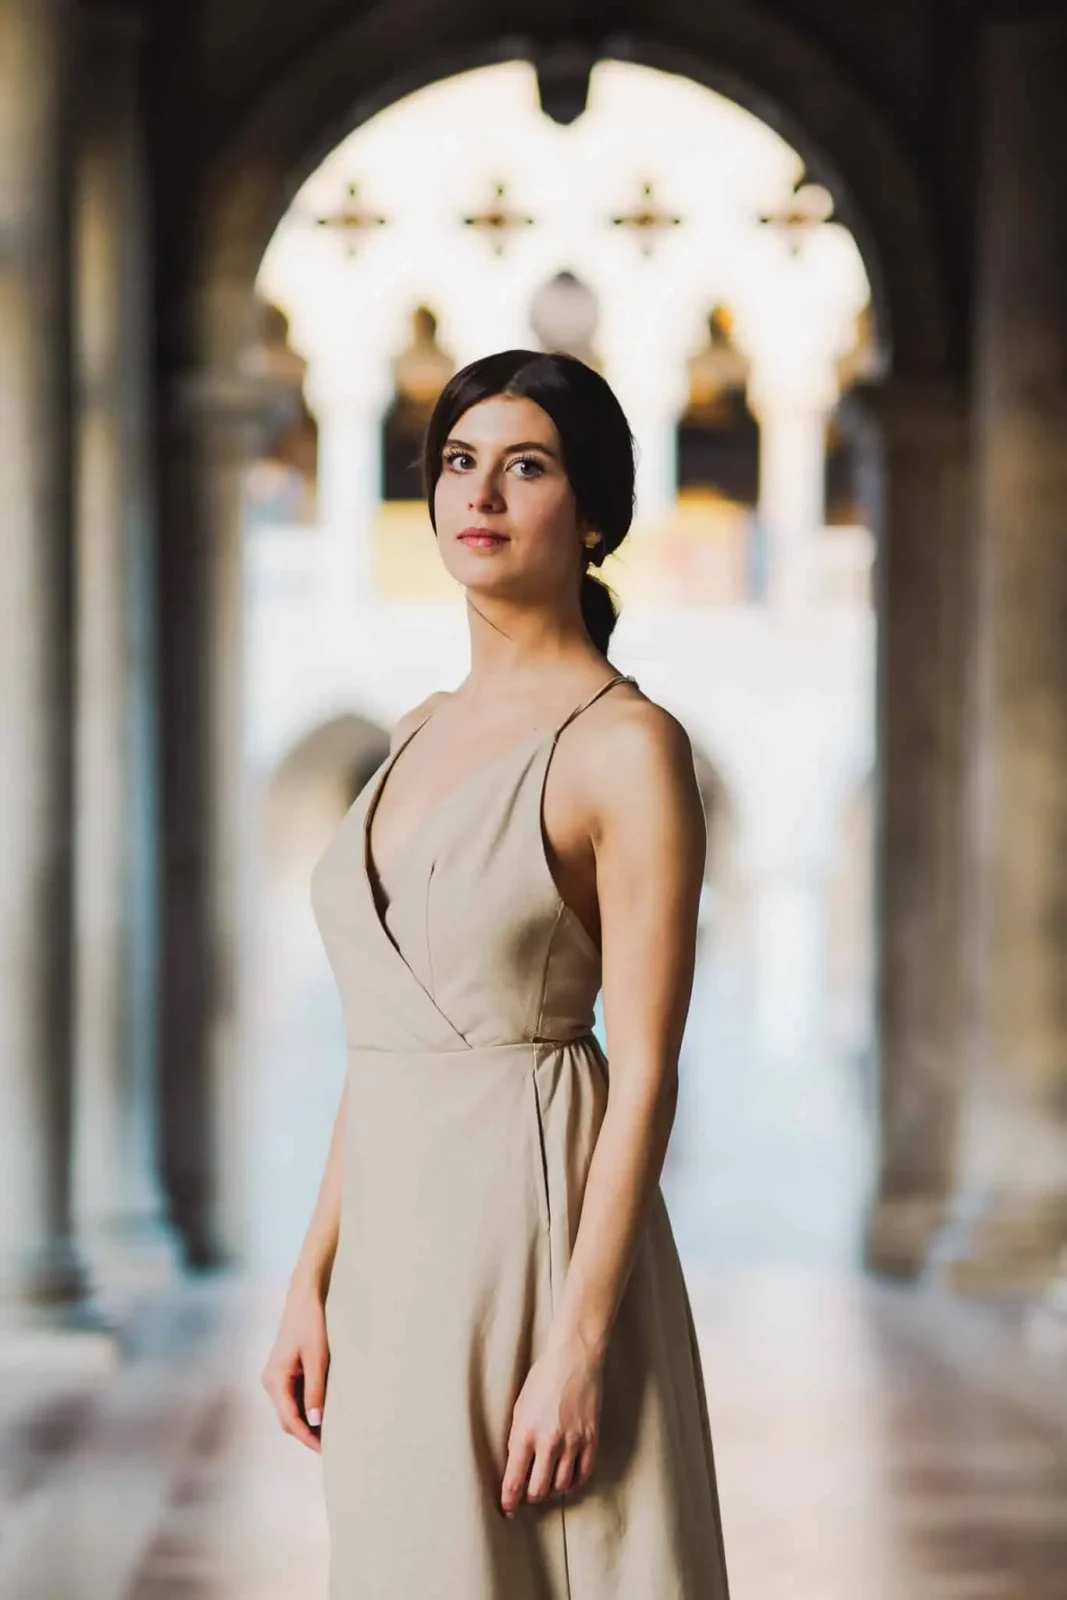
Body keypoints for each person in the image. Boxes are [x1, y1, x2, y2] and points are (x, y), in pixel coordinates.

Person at [262, 349, 732, 1597]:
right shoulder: (412, 728)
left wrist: (577, 1346)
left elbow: (643, 1077)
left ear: (591, 515)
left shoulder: (624, 746)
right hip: (389, 1266)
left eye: (526, 466)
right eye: (458, 463)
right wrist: (311, 1277)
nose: (481, 494)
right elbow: (389, 1036)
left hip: (531, 1248)